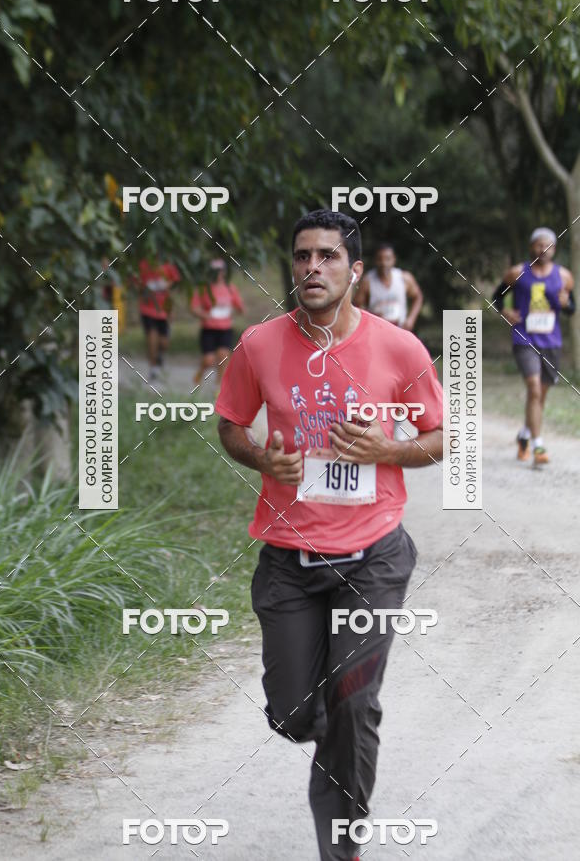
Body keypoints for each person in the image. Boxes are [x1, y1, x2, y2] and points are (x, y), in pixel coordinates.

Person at [215, 209, 443, 861]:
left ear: (357, 271)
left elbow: (439, 438)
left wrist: (387, 450)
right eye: (303, 256)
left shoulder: (399, 348)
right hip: (289, 562)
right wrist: (261, 456)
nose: (313, 267)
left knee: (354, 705)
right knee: (292, 714)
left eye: (328, 257)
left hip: (372, 557)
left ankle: (341, 848)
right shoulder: (259, 344)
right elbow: (230, 424)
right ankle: (332, 737)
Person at [493, 227, 575, 467]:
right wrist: (505, 310)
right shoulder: (517, 273)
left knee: (540, 394)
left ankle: (525, 435)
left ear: (554, 249)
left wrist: (566, 303)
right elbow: (497, 296)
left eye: (548, 245)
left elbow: (571, 308)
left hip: (551, 340)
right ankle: (538, 445)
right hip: (524, 337)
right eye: (539, 245)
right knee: (534, 388)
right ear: (532, 247)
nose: (543, 249)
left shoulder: (564, 276)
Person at [190, 258, 244, 386]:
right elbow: (194, 307)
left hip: (225, 329)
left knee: (223, 356)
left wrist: (234, 310)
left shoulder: (230, 288)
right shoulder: (204, 288)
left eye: (220, 271)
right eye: (214, 271)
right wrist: (205, 315)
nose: (217, 274)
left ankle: (219, 386)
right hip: (209, 329)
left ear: (224, 272)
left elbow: (240, 308)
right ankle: (201, 371)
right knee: (209, 360)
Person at [353, 242, 423, 331]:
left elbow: (418, 297)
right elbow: (356, 306)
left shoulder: (404, 278)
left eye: (387, 259)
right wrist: (368, 321)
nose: (384, 263)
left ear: (394, 259)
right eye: (380, 259)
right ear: (375, 260)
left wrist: (411, 319)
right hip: (378, 332)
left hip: (400, 330)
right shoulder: (368, 281)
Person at [135, 256, 181, 379]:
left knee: (164, 343)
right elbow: (138, 285)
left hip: (163, 311)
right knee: (152, 338)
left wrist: (170, 310)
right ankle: (153, 367)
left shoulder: (168, 266)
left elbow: (171, 290)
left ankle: (159, 356)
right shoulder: (143, 265)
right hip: (148, 310)